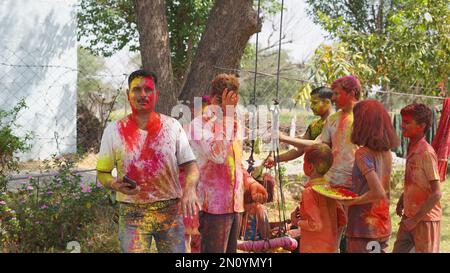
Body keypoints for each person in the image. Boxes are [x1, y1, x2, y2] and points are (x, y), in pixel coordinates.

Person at [96, 69, 200, 253]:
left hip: (170, 211)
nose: (142, 94)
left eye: (148, 89)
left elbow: (191, 165)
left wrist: (190, 189)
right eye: (136, 89)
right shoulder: (114, 131)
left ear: (156, 94)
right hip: (131, 214)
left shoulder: (172, 127)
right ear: (128, 95)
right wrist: (114, 184)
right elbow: (102, 172)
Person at [278, 75, 362, 252]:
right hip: (331, 186)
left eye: (338, 94)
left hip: (357, 186)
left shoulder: (364, 117)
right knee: (334, 233)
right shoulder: (332, 120)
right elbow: (320, 147)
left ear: (353, 92)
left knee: (356, 236)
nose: (334, 98)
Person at [188, 73, 268, 253]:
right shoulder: (199, 125)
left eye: (235, 101)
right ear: (218, 98)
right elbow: (217, 155)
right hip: (211, 209)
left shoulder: (234, 125)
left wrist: (251, 183)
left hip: (235, 206)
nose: (234, 105)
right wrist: (226, 117)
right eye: (230, 100)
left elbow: (236, 164)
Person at [339, 100, 400, 252]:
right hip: (382, 225)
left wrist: (351, 201)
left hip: (364, 229)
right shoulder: (386, 152)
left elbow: (377, 192)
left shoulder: (363, 153)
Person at [393, 103, 442, 253]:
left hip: (425, 220)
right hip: (409, 217)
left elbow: (437, 193)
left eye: (407, 122)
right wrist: (402, 200)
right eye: (403, 121)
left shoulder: (426, 152)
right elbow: (414, 182)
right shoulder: (411, 146)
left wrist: (416, 219)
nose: (402, 126)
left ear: (422, 126)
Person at [290, 144, 347, 253]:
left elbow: (315, 224)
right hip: (330, 247)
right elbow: (343, 219)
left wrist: (297, 222)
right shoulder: (330, 190)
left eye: (304, 162)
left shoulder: (309, 192)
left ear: (310, 167)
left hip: (313, 247)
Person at [265, 86, 333, 167]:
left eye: (315, 103)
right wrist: (275, 159)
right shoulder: (314, 125)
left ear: (327, 103)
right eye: (311, 103)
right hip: (316, 171)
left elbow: (317, 144)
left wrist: (283, 138)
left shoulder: (335, 122)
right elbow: (300, 149)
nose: (311, 106)